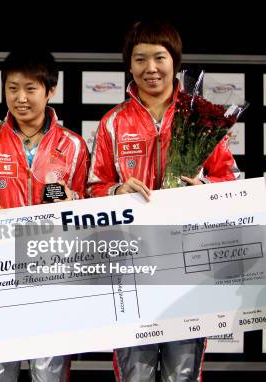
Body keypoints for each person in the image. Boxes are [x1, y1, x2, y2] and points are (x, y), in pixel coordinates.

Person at [87, 20, 239, 382]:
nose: (150, 68)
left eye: (159, 57)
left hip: (188, 265)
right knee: (134, 373)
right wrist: (114, 192)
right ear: (129, 65)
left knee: (182, 374)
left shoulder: (202, 118)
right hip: (130, 266)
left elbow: (230, 181)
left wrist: (202, 186)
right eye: (140, 59)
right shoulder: (112, 122)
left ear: (175, 62)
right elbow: (93, 186)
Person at [0, 51, 90, 382]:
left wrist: (74, 203)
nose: (20, 98)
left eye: (30, 89)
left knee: (49, 375)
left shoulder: (73, 146)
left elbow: (87, 211)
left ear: (51, 90)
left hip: (55, 277)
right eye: (12, 88)